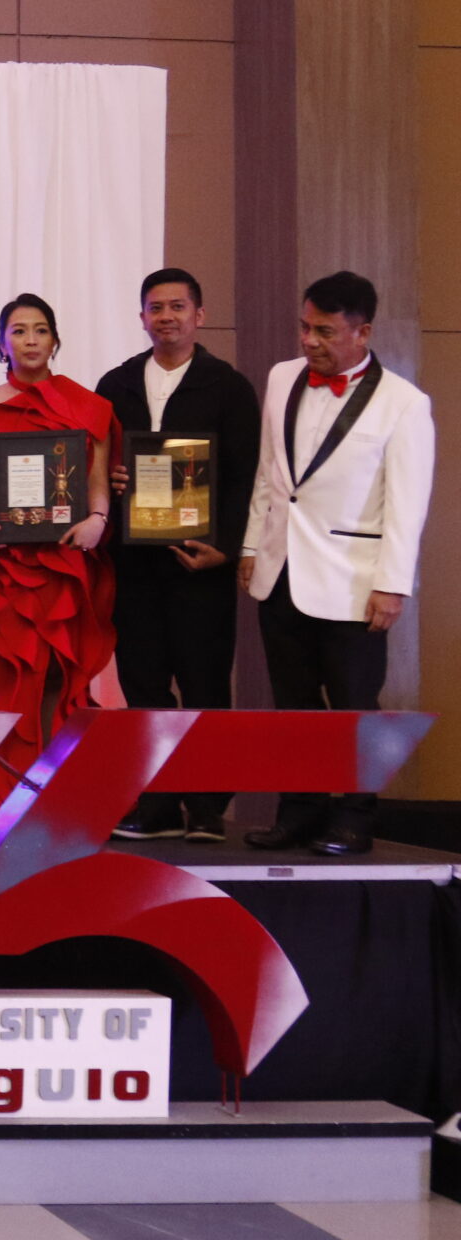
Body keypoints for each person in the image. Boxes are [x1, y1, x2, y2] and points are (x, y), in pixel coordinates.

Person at [241, 272, 435, 856]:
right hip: (282, 570)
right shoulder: (281, 378)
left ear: (363, 331)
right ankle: (298, 811)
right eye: (305, 326)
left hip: (354, 580)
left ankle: (355, 816)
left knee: (354, 706)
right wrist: (252, 546)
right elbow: (269, 474)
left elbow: (408, 504)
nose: (309, 340)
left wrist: (392, 585)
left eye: (324, 331)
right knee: (292, 706)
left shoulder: (404, 403)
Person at [96, 269, 262, 842]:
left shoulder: (228, 386)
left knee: (204, 683)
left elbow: (246, 477)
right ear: (141, 317)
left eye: (177, 307)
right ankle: (156, 803)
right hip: (134, 564)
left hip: (200, 565)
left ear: (199, 313)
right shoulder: (114, 384)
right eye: (155, 308)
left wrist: (225, 548)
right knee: (142, 684)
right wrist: (111, 478)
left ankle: (208, 805)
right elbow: (95, 466)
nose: (165, 317)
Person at [0, 293, 116, 832]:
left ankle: (49, 792)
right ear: (2, 342)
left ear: (55, 339)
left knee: (56, 678)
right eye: (18, 331)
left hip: (60, 560)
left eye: (40, 330)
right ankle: (2, 792)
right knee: (1, 673)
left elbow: (95, 481)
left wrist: (97, 518)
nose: (29, 340)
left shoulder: (89, 405)